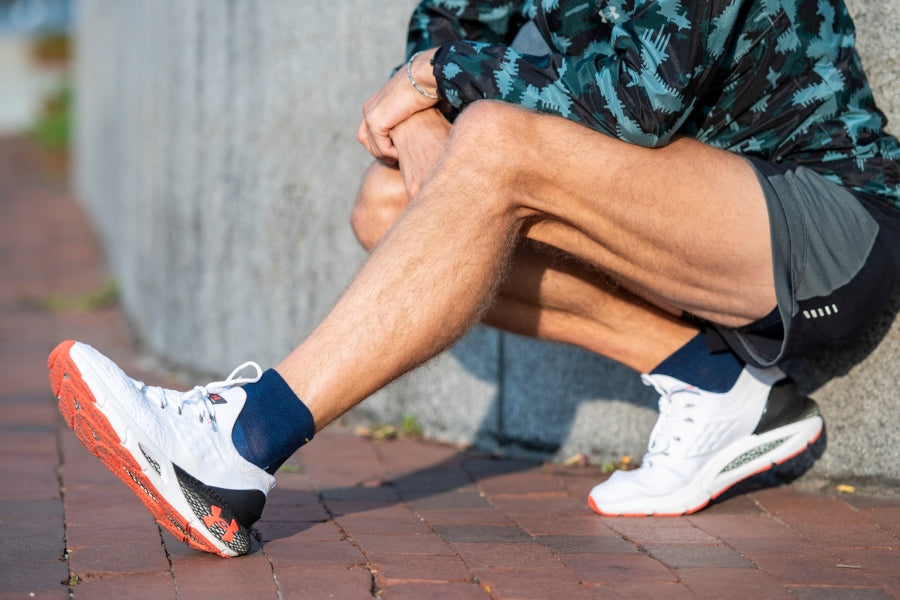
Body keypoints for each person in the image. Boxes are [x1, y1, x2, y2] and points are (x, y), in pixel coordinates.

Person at [49, 0, 899, 558]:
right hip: (686, 220)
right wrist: (427, 127)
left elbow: (637, 101)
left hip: (826, 223)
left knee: (495, 136)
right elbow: (446, 22)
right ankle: (720, 388)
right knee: (387, 207)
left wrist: (437, 87)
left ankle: (241, 445)